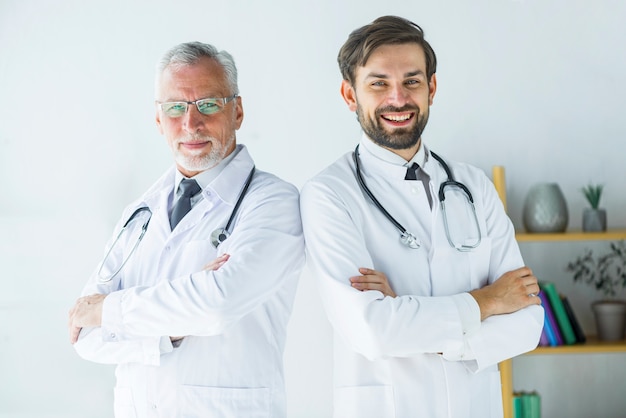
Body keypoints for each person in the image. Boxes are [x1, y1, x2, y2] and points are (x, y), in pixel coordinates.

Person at [300, 16, 544, 418]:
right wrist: (488, 302)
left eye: (412, 81)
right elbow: (373, 330)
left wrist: (423, 326)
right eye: (378, 83)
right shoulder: (329, 194)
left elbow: (527, 320)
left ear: (431, 87)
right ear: (350, 95)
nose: (398, 98)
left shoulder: (474, 186)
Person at [68, 41, 305, 418]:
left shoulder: (274, 202)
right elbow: (85, 335)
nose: (190, 123)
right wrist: (168, 333)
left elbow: (216, 304)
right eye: (175, 107)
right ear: (158, 119)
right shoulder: (140, 212)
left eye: (208, 104)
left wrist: (109, 310)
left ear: (238, 111)